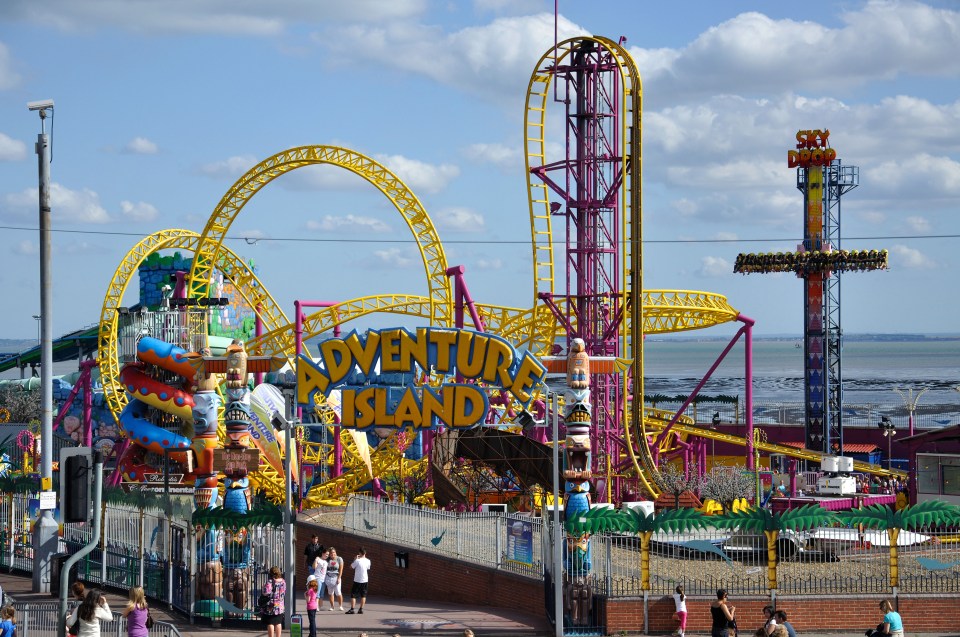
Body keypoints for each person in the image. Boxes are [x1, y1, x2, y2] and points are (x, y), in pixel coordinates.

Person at [345, 547, 371, 614]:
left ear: (359, 553)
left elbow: (351, 567)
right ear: (365, 553)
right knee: (363, 595)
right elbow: (368, 568)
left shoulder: (357, 560)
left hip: (357, 580)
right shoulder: (368, 561)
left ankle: (352, 609)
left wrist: (354, 559)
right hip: (365, 580)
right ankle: (361, 609)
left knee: (353, 595)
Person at [262, 566, 286, 637]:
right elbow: (284, 592)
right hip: (280, 605)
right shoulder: (283, 581)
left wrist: (263, 587)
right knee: (278, 622)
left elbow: (265, 592)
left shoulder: (270, 581)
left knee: (270, 623)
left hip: (271, 605)